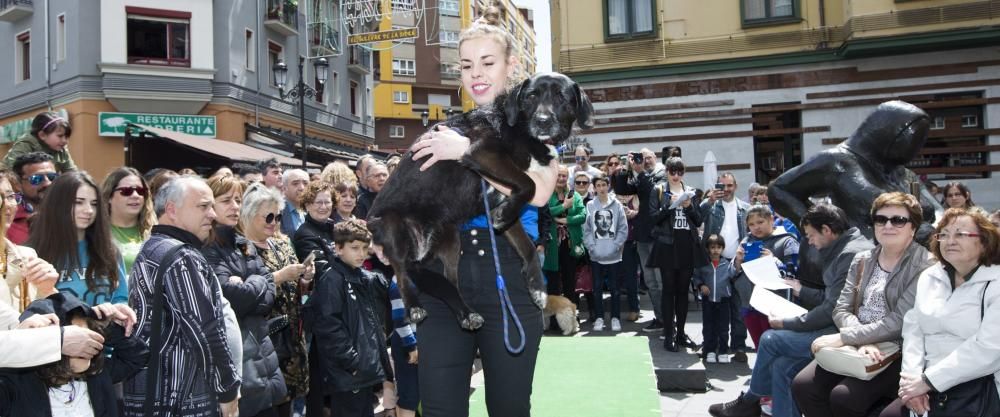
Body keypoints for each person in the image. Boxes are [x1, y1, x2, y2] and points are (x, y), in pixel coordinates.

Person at [399, 6, 558, 416]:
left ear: (511, 65)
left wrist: (467, 154)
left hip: (509, 274)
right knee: (439, 408)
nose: (476, 73)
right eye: (467, 64)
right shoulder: (448, 129)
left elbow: (538, 193)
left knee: (508, 406)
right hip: (442, 278)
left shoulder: (535, 130)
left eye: (488, 62)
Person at [708, 203, 872, 417]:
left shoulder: (847, 254)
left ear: (826, 230)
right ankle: (754, 404)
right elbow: (833, 299)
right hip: (840, 325)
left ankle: (749, 401)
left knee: (769, 339)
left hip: (846, 333)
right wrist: (802, 290)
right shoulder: (845, 247)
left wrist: (787, 323)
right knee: (782, 367)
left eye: (811, 236)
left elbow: (831, 309)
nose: (810, 242)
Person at [792, 192, 935, 417]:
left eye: (898, 220)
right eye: (880, 219)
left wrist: (849, 337)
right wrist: (860, 340)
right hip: (858, 342)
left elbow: (900, 321)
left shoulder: (925, 265)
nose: (888, 225)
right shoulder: (863, 259)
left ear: (913, 227)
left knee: (844, 397)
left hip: (897, 349)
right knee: (803, 385)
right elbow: (841, 309)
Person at [122, 176, 241, 417]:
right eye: (203, 206)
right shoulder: (181, 257)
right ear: (172, 210)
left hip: (152, 397)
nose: (213, 215)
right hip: (179, 402)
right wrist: (228, 390)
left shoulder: (153, 246)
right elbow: (206, 331)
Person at [880, 208, 1000, 417]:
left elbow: (989, 349)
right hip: (925, 381)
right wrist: (911, 381)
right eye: (943, 234)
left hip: (977, 383)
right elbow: (914, 330)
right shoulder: (930, 276)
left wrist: (928, 382)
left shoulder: (995, 283)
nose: (950, 240)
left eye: (960, 234)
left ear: (984, 241)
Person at [202, 182, 288, 417]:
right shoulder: (206, 248)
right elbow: (232, 299)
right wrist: (258, 282)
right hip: (239, 366)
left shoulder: (243, 244)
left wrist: (252, 283)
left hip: (263, 357)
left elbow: (268, 296)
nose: (234, 206)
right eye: (226, 200)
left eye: (238, 200)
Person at [0, 293, 147, 417]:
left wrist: (106, 324)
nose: (88, 344)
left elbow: (138, 355)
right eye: (78, 339)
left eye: (90, 333)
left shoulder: (97, 375)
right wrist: (29, 340)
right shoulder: (16, 384)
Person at [237, 183, 315, 417]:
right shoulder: (240, 249)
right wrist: (280, 277)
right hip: (264, 342)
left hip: (291, 338)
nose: (273, 222)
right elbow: (244, 292)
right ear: (249, 215)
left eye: (278, 216)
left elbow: (298, 289)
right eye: (268, 216)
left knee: (287, 405)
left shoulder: (281, 242)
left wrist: (305, 279)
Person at [304, 219, 390, 417]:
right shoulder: (332, 280)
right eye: (354, 248)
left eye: (364, 248)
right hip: (348, 373)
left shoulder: (361, 276)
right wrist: (352, 363)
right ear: (338, 248)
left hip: (361, 371)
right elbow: (329, 327)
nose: (361, 254)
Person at [28, 171, 128, 307]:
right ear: (57, 205)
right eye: (79, 202)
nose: (89, 210)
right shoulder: (31, 254)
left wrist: (116, 309)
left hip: (103, 327)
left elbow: (121, 299)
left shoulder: (109, 250)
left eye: (94, 204)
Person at [648, 156, 706, 351]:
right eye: (672, 171)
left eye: (680, 171)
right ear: (667, 172)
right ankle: (668, 334)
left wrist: (688, 206)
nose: (676, 175)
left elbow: (698, 220)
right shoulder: (658, 191)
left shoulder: (690, 192)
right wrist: (669, 205)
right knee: (668, 290)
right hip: (666, 244)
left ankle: (681, 333)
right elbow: (653, 218)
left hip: (686, 244)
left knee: (683, 292)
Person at [611, 148, 667, 333]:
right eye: (642, 159)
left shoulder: (663, 175)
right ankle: (660, 319)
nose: (645, 161)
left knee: (661, 281)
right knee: (650, 281)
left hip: (659, 237)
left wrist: (640, 170)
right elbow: (622, 189)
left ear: (655, 158)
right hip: (643, 236)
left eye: (648, 158)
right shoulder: (639, 175)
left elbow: (651, 190)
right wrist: (625, 170)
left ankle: (669, 319)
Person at [731, 205, 800, 348]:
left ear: (771, 220)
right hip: (749, 304)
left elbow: (794, 274)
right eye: (751, 224)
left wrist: (774, 260)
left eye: (760, 222)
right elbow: (731, 273)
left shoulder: (788, 241)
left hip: (775, 306)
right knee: (760, 348)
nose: (756, 227)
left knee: (776, 349)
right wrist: (738, 260)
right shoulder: (746, 241)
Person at [701, 172, 752, 360]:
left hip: (738, 264)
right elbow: (697, 216)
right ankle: (712, 346)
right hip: (715, 263)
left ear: (736, 186)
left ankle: (738, 346)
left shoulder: (745, 209)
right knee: (714, 311)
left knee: (738, 308)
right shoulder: (712, 206)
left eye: (730, 186)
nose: (727, 190)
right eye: (723, 186)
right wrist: (708, 200)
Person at [0, 168, 60, 312]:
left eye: (10, 196)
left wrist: (47, 289)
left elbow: (45, 318)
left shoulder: (27, 256)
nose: (7, 205)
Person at [583, 173, 628, 332]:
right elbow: (586, 229)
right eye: (598, 186)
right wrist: (591, 246)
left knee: (615, 289)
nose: (601, 188)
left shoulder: (617, 205)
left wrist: (616, 245)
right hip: (596, 255)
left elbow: (623, 228)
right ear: (594, 188)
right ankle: (599, 318)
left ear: (608, 186)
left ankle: (615, 318)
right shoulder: (590, 205)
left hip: (614, 255)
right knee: (597, 289)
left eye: (604, 185)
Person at [544, 165, 587, 307]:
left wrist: (566, 220)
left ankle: (572, 316)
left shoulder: (574, 195)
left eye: (564, 176)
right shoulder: (546, 194)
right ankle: (555, 320)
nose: (561, 178)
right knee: (553, 283)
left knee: (570, 282)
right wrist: (563, 207)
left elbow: (582, 215)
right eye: (559, 175)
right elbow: (545, 213)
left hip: (570, 244)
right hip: (552, 246)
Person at [101, 167, 156, 275]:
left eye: (140, 191)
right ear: (109, 197)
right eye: (127, 191)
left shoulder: (154, 232)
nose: (135, 195)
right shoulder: (97, 233)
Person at [693, 234, 736, 363]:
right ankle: (710, 350)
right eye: (712, 247)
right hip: (708, 300)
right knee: (708, 326)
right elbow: (696, 277)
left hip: (724, 300)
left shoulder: (727, 264)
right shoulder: (703, 264)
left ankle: (723, 351)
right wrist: (701, 286)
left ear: (722, 249)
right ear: (707, 249)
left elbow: (734, 275)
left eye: (718, 247)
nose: (715, 250)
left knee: (723, 327)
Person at [8, 152, 59, 244]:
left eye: (52, 177)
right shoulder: (7, 220)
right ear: (18, 184)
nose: (48, 183)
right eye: (37, 179)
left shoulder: (71, 213)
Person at [3, 111, 77, 173]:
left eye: (67, 136)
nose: (64, 141)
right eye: (60, 136)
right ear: (42, 135)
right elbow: (14, 169)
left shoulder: (61, 149)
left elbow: (71, 172)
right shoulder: (26, 144)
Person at [388, 275, 419, 417]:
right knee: (409, 396)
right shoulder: (400, 278)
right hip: (407, 342)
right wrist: (411, 346)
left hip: (415, 340)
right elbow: (400, 318)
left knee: (409, 394)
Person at [293, 181, 338, 276]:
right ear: (307, 206)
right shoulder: (304, 235)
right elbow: (321, 270)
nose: (323, 207)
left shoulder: (335, 228)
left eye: (327, 202)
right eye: (318, 202)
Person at [280, 169, 309, 236]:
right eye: (295, 183)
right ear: (284, 188)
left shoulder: (312, 209)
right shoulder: (277, 210)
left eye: (305, 183)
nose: (302, 188)